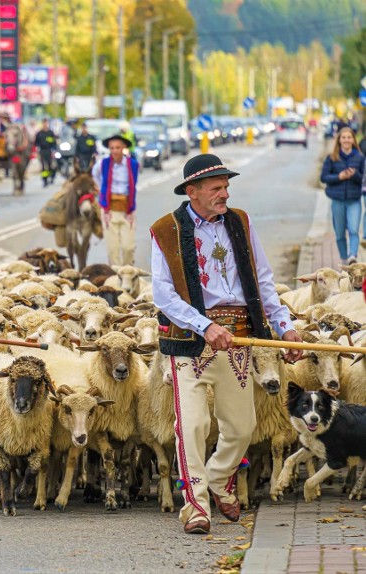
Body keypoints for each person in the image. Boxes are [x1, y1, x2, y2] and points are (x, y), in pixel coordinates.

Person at [150, 153, 303, 536]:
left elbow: (263, 279)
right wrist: (204, 326)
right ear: (193, 191)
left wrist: (284, 327)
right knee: (193, 423)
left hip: (238, 337)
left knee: (242, 426)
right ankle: (196, 505)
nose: (225, 193)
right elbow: (163, 295)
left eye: (226, 186)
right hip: (190, 341)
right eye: (216, 188)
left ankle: (219, 479)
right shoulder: (166, 230)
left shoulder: (241, 222)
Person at [92, 134, 139, 266]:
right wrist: (102, 189)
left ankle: (128, 272)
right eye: (112, 148)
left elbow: (133, 184)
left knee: (128, 247)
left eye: (117, 147)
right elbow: (95, 175)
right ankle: (116, 277)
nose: (114, 151)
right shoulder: (103, 164)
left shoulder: (133, 164)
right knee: (113, 249)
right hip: (109, 209)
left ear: (124, 148)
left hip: (127, 209)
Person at [320, 126, 363, 264]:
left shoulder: (360, 157)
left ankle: (352, 256)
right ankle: (344, 259)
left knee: (354, 230)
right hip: (337, 200)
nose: (346, 140)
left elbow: (363, 179)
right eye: (343, 137)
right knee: (339, 233)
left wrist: (354, 175)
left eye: (349, 137)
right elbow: (324, 177)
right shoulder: (332, 158)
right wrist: (339, 176)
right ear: (339, 140)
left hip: (354, 200)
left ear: (353, 140)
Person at [34, 119, 57, 186]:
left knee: (51, 166)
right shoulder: (39, 133)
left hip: (50, 151)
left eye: (46, 123)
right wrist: (37, 149)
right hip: (42, 151)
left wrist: (54, 151)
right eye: (44, 123)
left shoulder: (51, 133)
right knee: (43, 167)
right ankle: (45, 180)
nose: (45, 125)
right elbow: (36, 143)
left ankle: (51, 177)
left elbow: (54, 143)